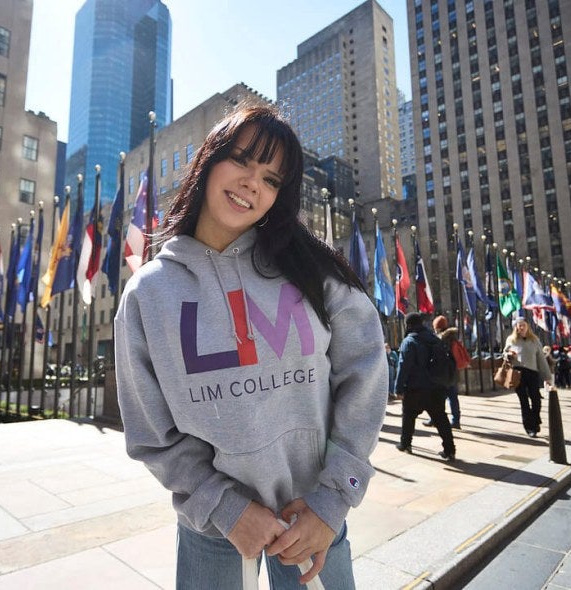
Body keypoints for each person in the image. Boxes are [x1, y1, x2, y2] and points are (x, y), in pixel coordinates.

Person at [114, 105, 387, 589]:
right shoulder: (148, 294)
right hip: (214, 525)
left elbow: (364, 373)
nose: (251, 183)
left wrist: (333, 501)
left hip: (312, 517)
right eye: (241, 160)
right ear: (208, 161)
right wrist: (223, 505)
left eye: (271, 178)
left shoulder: (312, 272)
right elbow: (150, 431)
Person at [394, 312, 456, 461]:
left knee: (408, 416)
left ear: (408, 325)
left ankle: (405, 444)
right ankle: (449, 450)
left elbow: (403, 366)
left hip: (415, 387)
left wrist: (398, 388)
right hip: (435, 386)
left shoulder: (409, 342)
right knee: (441, 418)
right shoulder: (434, 339)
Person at [503, 318, 552, 437]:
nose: (521, 328)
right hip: (518, 373)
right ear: (516, 327)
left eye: (523, 325)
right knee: (524, 401)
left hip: (532, 373)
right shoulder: (511, 340)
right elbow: (504, 353)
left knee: (536, 399)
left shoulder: (535, 340)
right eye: (519, 325)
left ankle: (535, 420)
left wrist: (547, 376)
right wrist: (508, 355)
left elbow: (541, 359)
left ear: (527, 326)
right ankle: (530, 427)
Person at [423, 315, 461, 429]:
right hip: (452, 371)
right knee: (453, 397)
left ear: (438, 328)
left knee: (437, 398)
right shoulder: (453, 338)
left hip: (442, 372)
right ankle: (456, 420)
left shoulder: (438, 339)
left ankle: (435, 419)